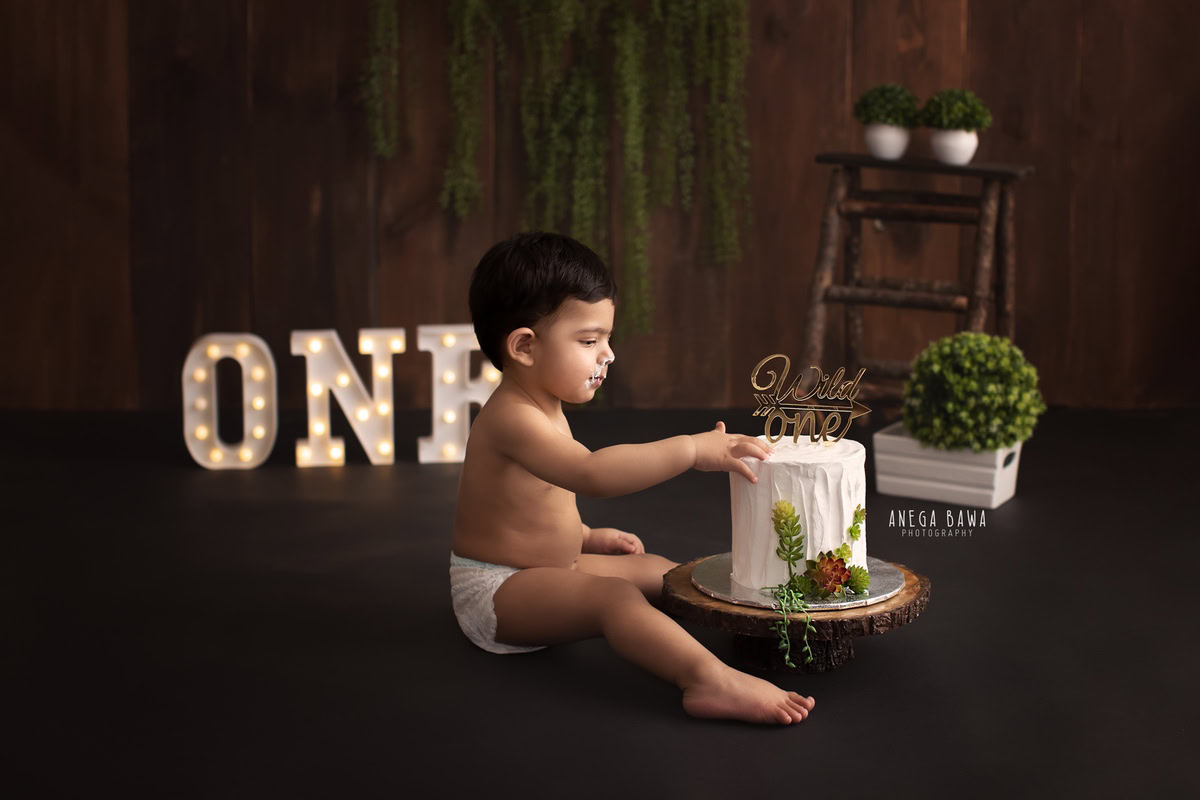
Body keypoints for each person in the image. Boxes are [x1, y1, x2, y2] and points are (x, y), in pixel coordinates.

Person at [449, 231, 815, 725]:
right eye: (589, 340)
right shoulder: (511, 418)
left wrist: (586, 536)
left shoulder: (544, 403)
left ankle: (753, 625)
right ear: (524, 347)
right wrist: (689, 449)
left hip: (552, 566)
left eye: (607, 338)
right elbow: (589, 474)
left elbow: (526, 505)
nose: (608, 355)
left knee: (663, 572)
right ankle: (708, 681)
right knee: (614, 599)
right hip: (497, 591)